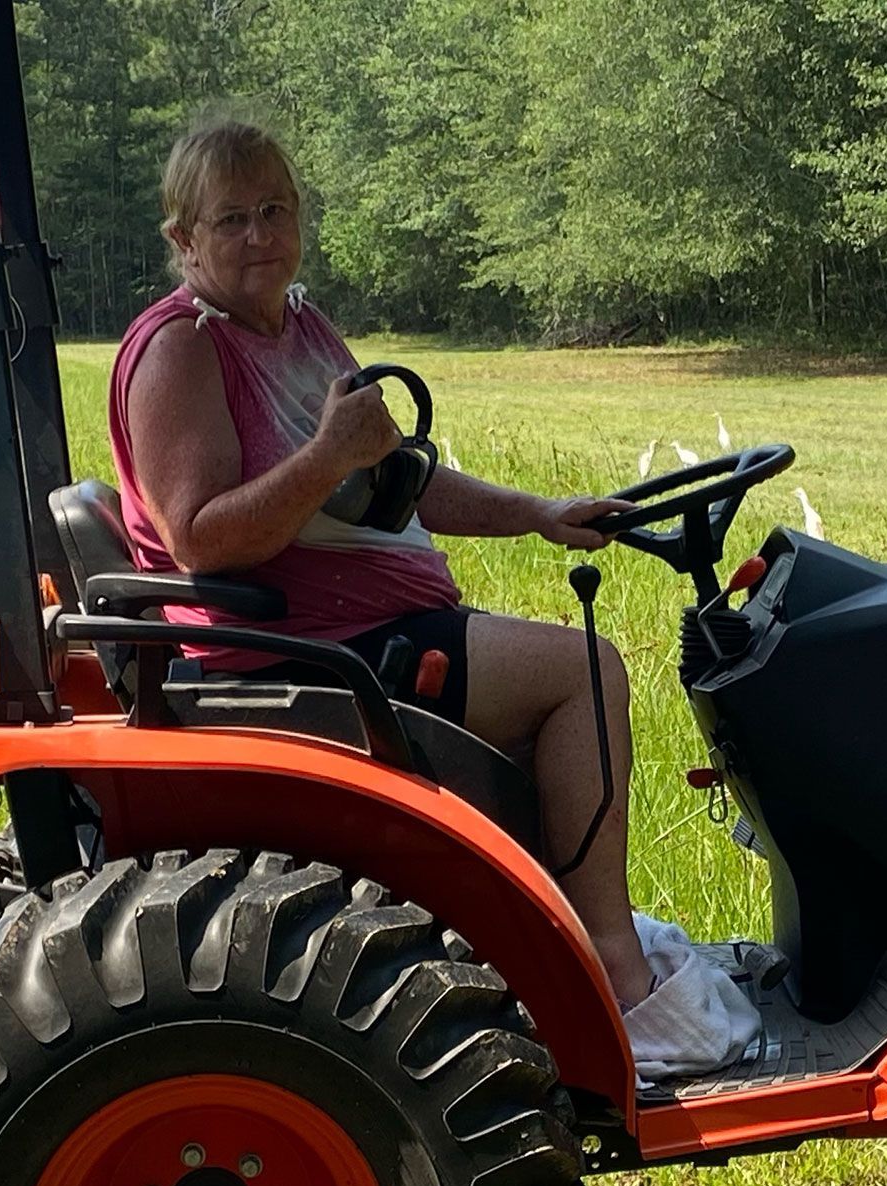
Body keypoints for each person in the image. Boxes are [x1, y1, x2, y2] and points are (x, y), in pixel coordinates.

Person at [109, 116, 662, 1007]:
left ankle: (532, 957)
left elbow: (395, 479)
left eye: (275, 210)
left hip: (372, 628)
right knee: (584, 675)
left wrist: (539, 514)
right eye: (231, 219)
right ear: (183, 238)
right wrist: (328, 455)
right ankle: (612, 965)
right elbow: (201, 538)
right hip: (300, 650)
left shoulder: (302, 327)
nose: (260, 234)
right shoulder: (182, 349)